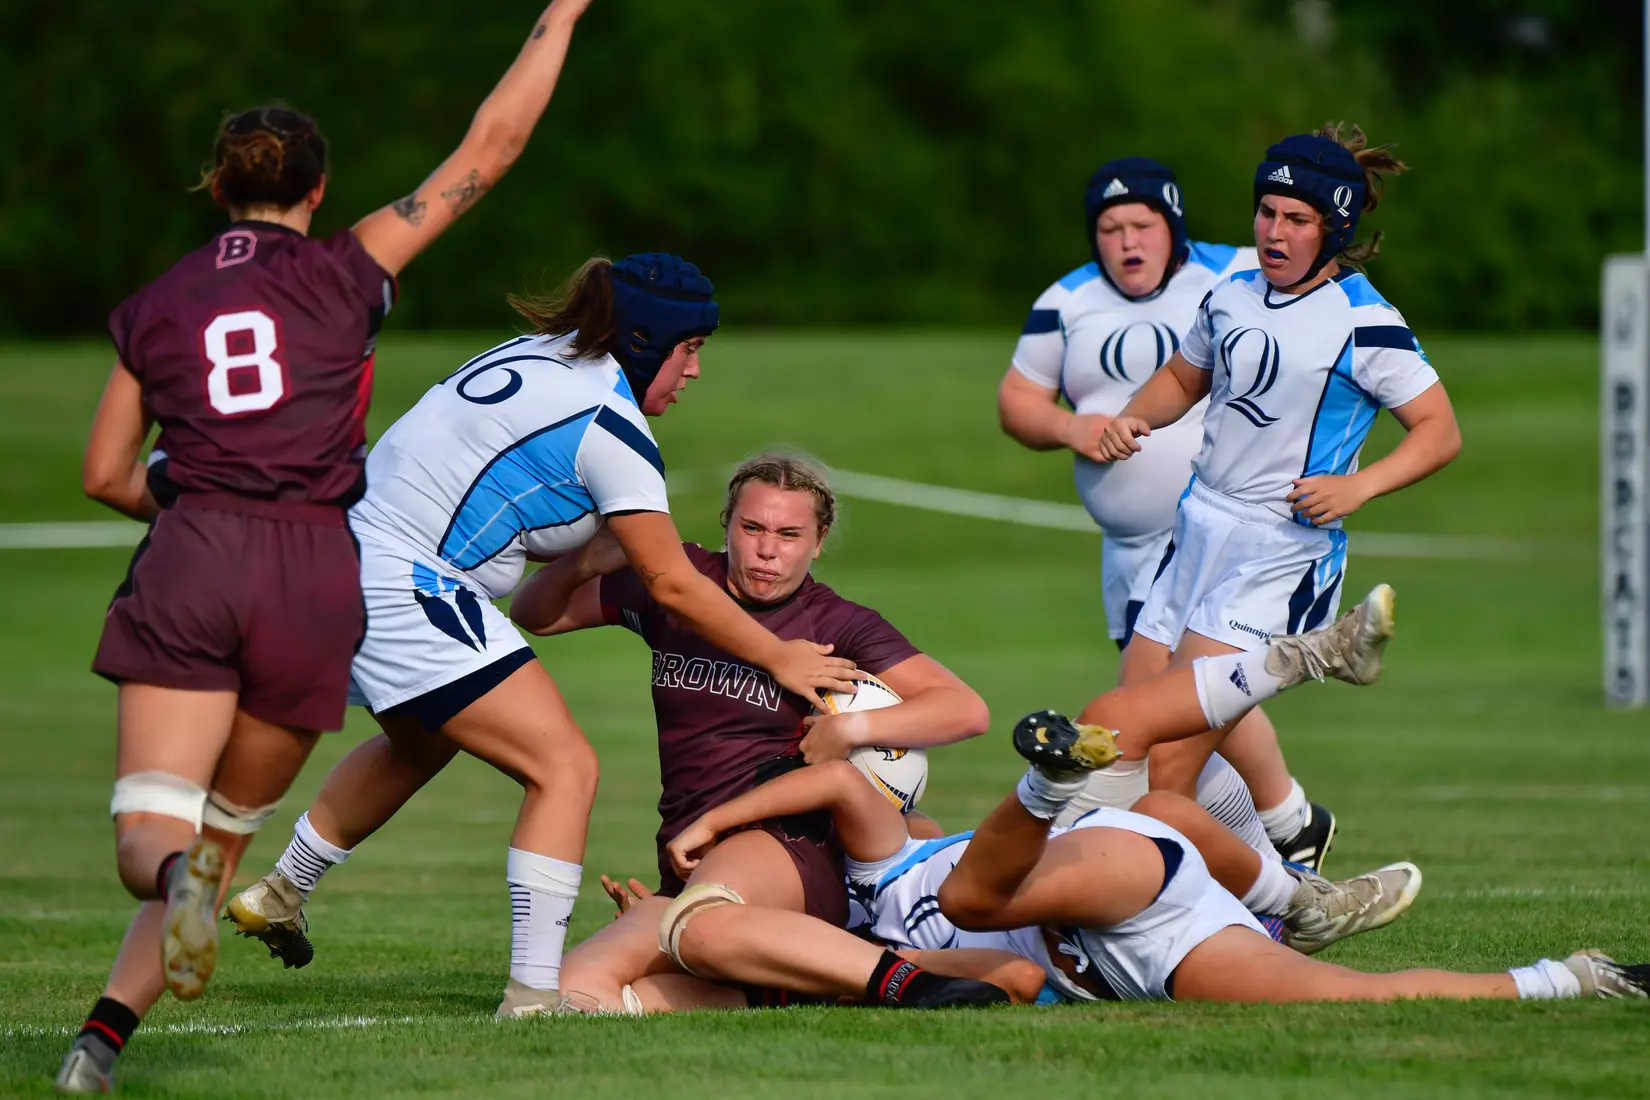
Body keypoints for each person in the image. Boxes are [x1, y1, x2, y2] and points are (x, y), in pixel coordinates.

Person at [57, 3, 596, 1092]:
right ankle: (100, 1040)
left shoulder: (156, 305)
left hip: (199, 555)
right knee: (224, 837)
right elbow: (491, 146)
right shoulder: (350, 271)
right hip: (316, 577)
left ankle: (175, 888)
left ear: (216, 188)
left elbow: (106, 475)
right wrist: (562, 10)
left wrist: (198, 503)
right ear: (316, 190)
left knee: (150, 846)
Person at [226, 274, 864, 1022]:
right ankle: (533, 1000)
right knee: (564, 767)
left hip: (330, 555)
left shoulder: (542, 355)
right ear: (644, 343)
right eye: (689, 349)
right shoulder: (613, 428)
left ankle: (282, 890)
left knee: (423, 742)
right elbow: (671, 582)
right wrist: (780, 656)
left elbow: (500, 501)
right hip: (403, 579)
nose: (694, 370)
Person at [667, 712, 1650, 1006]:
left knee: (972, 893)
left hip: (1096, 873)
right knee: (1355, 996)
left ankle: (1052, 783)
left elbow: (840, 787)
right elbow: (1003, 973)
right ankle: (1579, 978)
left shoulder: (888, 864)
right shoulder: (860, 944)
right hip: (1163, 934)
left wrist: (710, 829)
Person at [1086, 124, 1461, 812]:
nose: (1274, 232)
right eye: (1267, 213)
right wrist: (1134, 415)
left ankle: (1234, 897)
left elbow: (1440, 431)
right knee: (1124, 719)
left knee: (1169, 758)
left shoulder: (1364, 320)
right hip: (1196, 528)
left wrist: (1360, 484)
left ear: (1333, 228)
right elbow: (1184, 374)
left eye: (1297, 219)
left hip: (1278, 553)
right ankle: (1285, 844)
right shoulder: (1231, 291)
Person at [1001, 157, 1335, 868]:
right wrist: (1071, 428)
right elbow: (1017, 402)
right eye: (1110, 228)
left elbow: (1327, 311)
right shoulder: (1067, 301)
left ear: (1172, 228)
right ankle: (1284, 827)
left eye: (1141, 225)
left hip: (1214, 528)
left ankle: (1245, 842)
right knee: (1171, 701)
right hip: (1126, 547)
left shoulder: (1235, 273)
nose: (1126, 242)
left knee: (1158, 708)